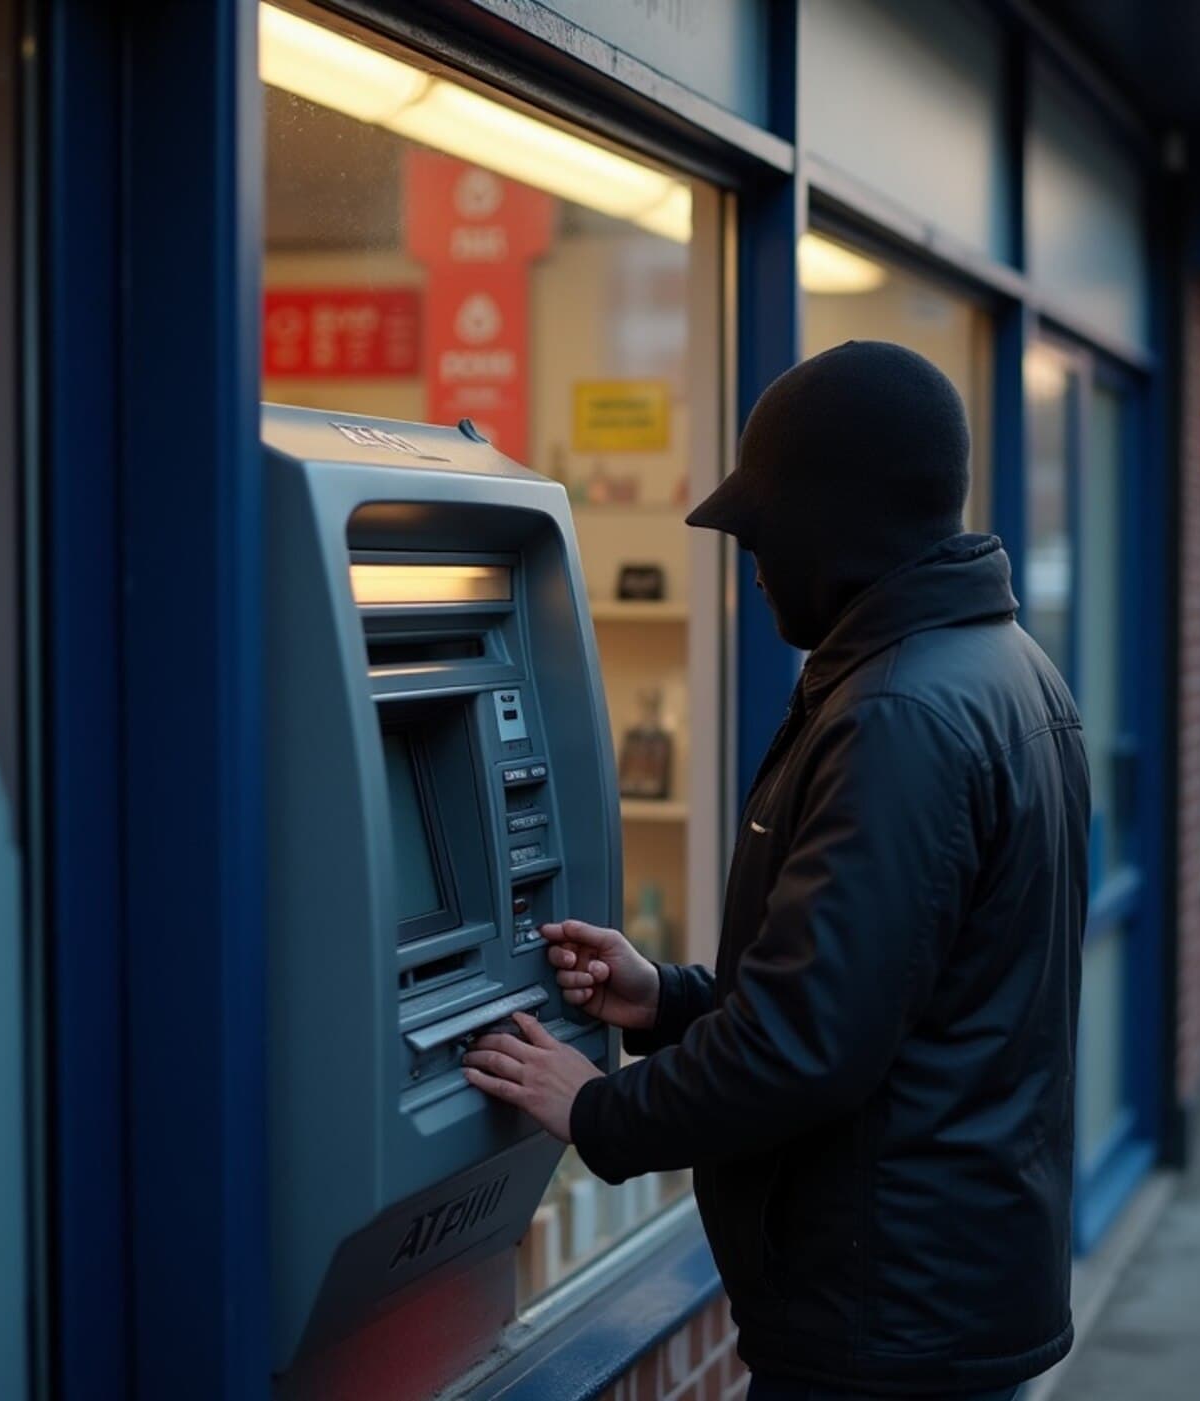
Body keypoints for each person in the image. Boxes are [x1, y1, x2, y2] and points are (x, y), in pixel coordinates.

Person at [462, 341, 1090, 1401]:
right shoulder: (999, 668)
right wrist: (663, 1000)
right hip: (936, 1293)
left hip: (882, 1326)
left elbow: (809, 1042)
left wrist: (601, 1112)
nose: (747, 559)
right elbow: (884, 995)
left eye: (760, 529)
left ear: (833, 525)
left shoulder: (896, 713)